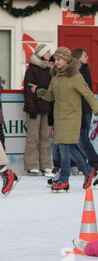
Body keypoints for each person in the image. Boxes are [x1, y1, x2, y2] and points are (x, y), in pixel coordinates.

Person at [36, 47, 98, 192]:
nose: (56, 62)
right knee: (67, 147)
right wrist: (42, 93)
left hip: (72, 117)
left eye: (59, 59)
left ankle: (66, 179)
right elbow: (51, 95)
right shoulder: (56, 77)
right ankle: (85, 172)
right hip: (59, 117)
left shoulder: (75, 76)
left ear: (67, 60)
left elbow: (88, 94)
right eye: (55, 59)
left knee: (65, 147)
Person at [71, 48, 98, 189]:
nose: (87, 58)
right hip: (79, 110)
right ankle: (91, 168)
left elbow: (84, 93)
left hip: (83, 111)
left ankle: (97, 168)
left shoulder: (82, 71)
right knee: (80, 141)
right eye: (85, 55)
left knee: (82, 141)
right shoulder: (77, 70)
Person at [23, 43, 53, 176]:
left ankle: (46, 165)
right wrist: (31, 108)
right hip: (34, 109)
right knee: (32, 137)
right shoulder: (32, 70)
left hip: (47, 107)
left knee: (46, 137)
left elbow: (50, 88)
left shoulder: (49, 69)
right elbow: (28, 91)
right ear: (41, 54)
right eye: (47, 52)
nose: (50, 54)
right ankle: (31, 165)